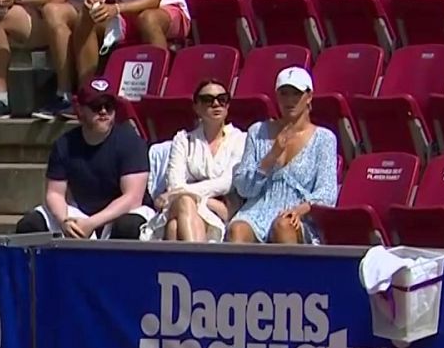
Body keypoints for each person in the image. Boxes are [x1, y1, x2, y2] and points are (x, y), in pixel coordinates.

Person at [14, 77, 151, 238]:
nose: (103, 111)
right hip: (82, 213)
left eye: (109, 106)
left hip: (121, 214)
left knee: (127, 226)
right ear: (80, 110)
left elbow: (132, 198)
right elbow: (55, 193)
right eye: (96, 106)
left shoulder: (131, 142)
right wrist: (64, 220)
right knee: (30, 224)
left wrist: (92, 223)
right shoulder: (65, 144)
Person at [227, 66, 339, 244]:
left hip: (299, 214)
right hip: (257, 210)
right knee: (237, 229)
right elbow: (244, 188)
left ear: (309, 96)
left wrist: (300, 210)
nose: (290, 100)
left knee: (283, 225)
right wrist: (272, 156)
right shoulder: (257, 131)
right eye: (284, 94)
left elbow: (327, 193)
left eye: (296, 94)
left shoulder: (324, 138)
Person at [143, 78, 246, 242]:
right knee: (185, 202)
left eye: (222, 99)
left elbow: (226, 183)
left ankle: (187, 257)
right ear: (196, 107)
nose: (216, 104)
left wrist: (179, 193)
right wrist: (205, 200)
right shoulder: (183, 139)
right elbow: (174, 184)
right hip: (207, 205)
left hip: (218, 211)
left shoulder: (240, 139)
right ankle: (198, 257)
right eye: (207, 100)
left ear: (228, 105)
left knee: (174, 227)